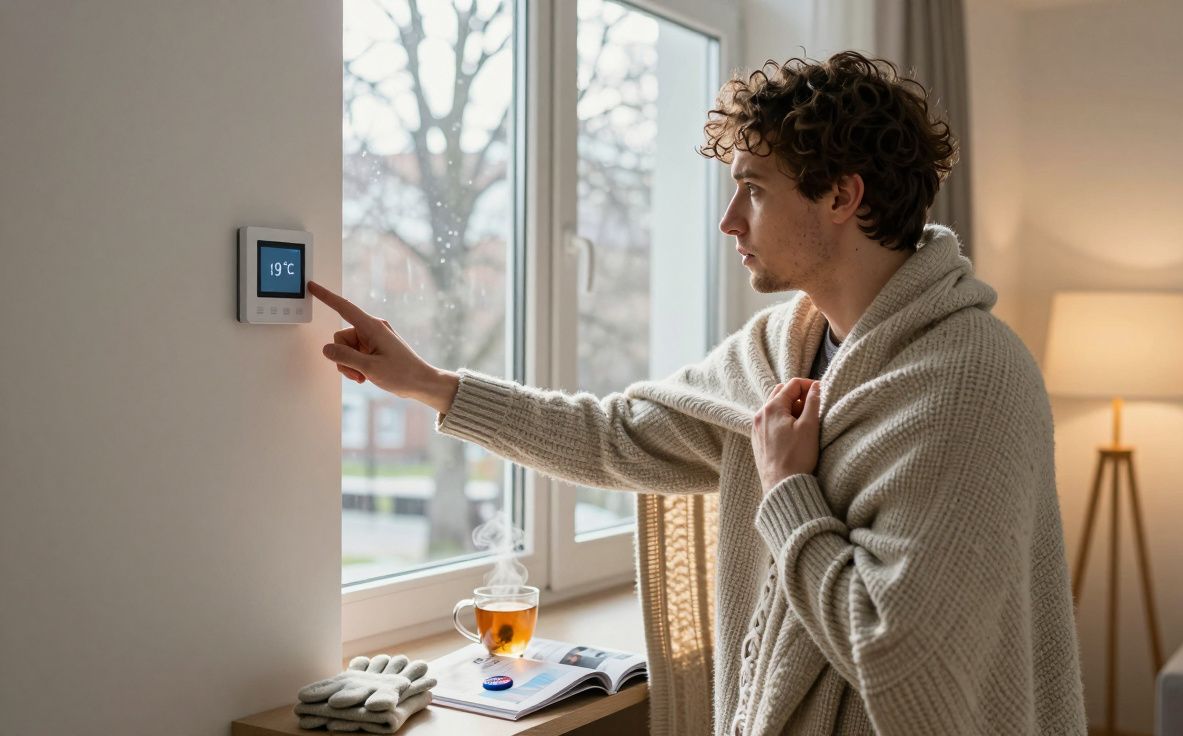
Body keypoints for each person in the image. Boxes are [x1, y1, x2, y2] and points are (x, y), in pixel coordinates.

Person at [311, 51, 1087, 735]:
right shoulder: (777, 346)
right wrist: (426, 383)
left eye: (752, 189)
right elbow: (616, 435)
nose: (726, 219)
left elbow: (894, 648)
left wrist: (786, 488)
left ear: (842, 198)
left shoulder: (971, 382)